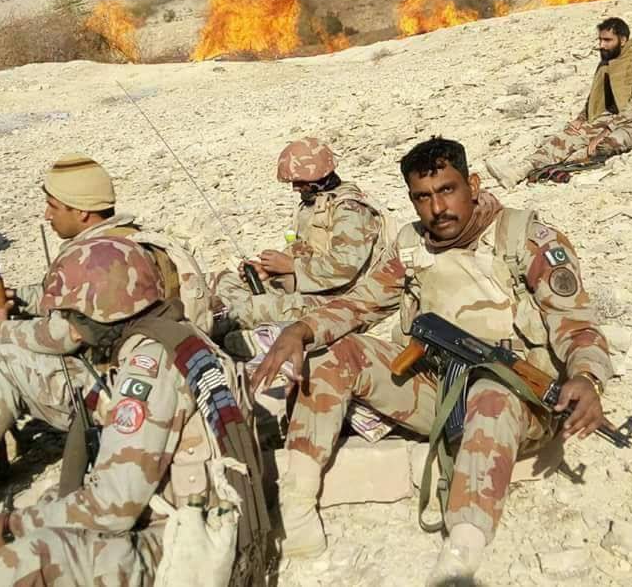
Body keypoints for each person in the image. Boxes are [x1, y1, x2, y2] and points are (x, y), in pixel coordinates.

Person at [253, 137, 613, 586]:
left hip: (519, 395)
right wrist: (302, 330)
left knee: (492, 394)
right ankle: (297, 508)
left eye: (447, 190)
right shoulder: (411, 246)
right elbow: (362, 303)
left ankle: (461, 553)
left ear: (473, 185)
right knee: (335, 353)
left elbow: (576, 324)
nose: (437, 208)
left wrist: (586, 377)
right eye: (423, 197)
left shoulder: (524, 239)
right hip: (438, 388)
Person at [0, 235, 268, 585]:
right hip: (201, 517)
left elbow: (113, 507)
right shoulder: (175, 333)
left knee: (21, 561)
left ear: (99, 313)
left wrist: (14, 525)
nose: (71, 328)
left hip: (189, 543)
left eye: (73, 316)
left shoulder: (148, 365)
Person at [0, 154, 211, 475]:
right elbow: (87, 302)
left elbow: (66, 336)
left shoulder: (96, 258)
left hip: (125, 395)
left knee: (3, 361)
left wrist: (2, 331)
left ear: (81, 211)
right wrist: (22, 300)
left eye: (53, 206)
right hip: (173, 375)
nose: (46, 215)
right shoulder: (134, 241)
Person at [211, 137, 389, 346]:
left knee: (246, 311)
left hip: (341, 302)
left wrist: (291, 267)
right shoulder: (315, 204)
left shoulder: (350, 209)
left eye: (300, 183)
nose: (295, 188)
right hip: (309, 286)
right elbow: (307, 249)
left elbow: (345, 267)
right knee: (225, 281)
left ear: (319, 176)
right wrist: (269, 270)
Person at [486, 17, 632, 188]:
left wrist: (605, 132)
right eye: (600, 40)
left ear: (623, 40)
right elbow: (595, 97)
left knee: (607, 144)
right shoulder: (608, 61)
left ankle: (564, 162)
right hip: (615, 115)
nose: (601, 45)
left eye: (607, 40)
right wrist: (581, 119)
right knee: (567, 137)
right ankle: (519, 171)